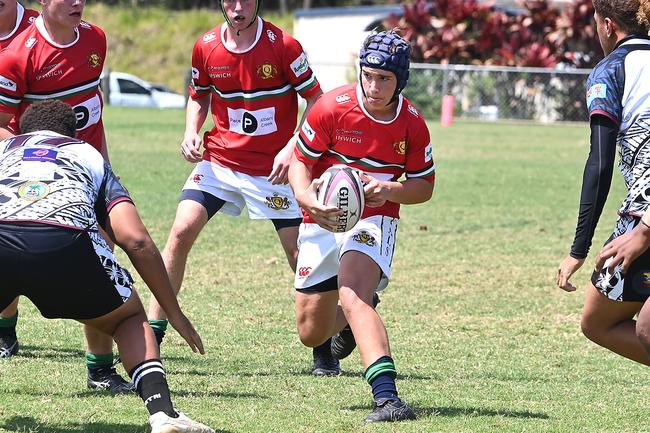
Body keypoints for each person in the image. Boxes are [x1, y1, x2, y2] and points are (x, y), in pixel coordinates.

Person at [0, 100, 214, 433]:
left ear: (23, 132)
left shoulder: (4, 149)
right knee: (128, 318)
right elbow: (135, 240)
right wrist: (173, 312)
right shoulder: (87, 153)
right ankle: (162, 414)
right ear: (71, 134)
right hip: (64, 240)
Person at [145, 0, 325, 368]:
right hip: (221, 161)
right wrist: (191, 131)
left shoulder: (283, 46)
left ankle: (326, 342)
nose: (238, 7)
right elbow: (199, 95)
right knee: (179, 233)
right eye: (230, 0)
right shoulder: (206, 46)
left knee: (301, 258)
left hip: (272, 170)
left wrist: (293, 148)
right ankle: (152, 333)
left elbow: (316, 101)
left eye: (246, 0)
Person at [288, 30, 435, 422]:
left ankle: (388, 399)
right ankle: (356, 320)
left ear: (400, 80)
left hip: (375, 219)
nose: (373, 86)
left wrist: (388, 189)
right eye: (368, 75)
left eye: (384, 79)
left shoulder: (412, 123)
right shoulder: (331, 107)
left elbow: (424, 187)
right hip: (321, 217)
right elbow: (300, 163)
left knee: (352, 294)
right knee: (311, 333)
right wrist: (306, 199)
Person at [0, 0, 131, 392]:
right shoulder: (16, 57)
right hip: (37, 179)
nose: (78, 2)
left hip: (87, 172)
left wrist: (104, 168)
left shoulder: (96, 39)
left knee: (101, 263)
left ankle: (100, 369)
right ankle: (6, 329)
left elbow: (94, 110)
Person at [557, 0, 650, 366]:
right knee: (598, 320)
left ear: (608, 25)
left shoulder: (611, 70)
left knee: (633, 328)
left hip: (643, 217)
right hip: (640, 216)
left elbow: (599, 164)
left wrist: (578, 249)